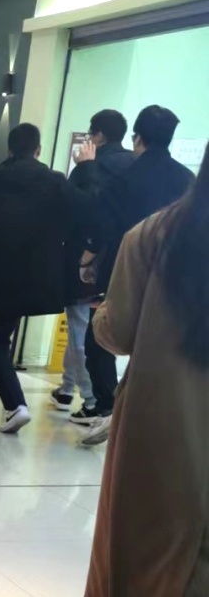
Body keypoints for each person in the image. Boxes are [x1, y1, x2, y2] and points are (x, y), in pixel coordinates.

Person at [82, 142, 209, 595]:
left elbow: (118, 332)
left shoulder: (155, 235)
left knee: (139, 559)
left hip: (163, 428)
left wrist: (100, 315)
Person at [79, 105, 194, 436]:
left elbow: (102, 224)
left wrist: (86, 262)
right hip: (172, 278)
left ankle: (108, 405)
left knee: (102, 337)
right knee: (155, 343)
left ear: (137, 137)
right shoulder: (186, 179)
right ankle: (141, 409)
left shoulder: (123, 177)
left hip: (123, 270)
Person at [0, 123, 88, 434]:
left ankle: (15, 404)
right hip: (35, 277)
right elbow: (84, 213)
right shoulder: (55, 182)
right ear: (39, 150)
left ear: (9, 148)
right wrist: (86, 169)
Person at [55, 109, 134, 421]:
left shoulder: (92, 166)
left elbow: (76, 208)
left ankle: (91, 398)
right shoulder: (133, 165)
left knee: (80, 328)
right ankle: (67, 387)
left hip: (85, 258)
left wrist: (83, 168)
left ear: (98, 135)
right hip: (119, 260)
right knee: (86, 326)